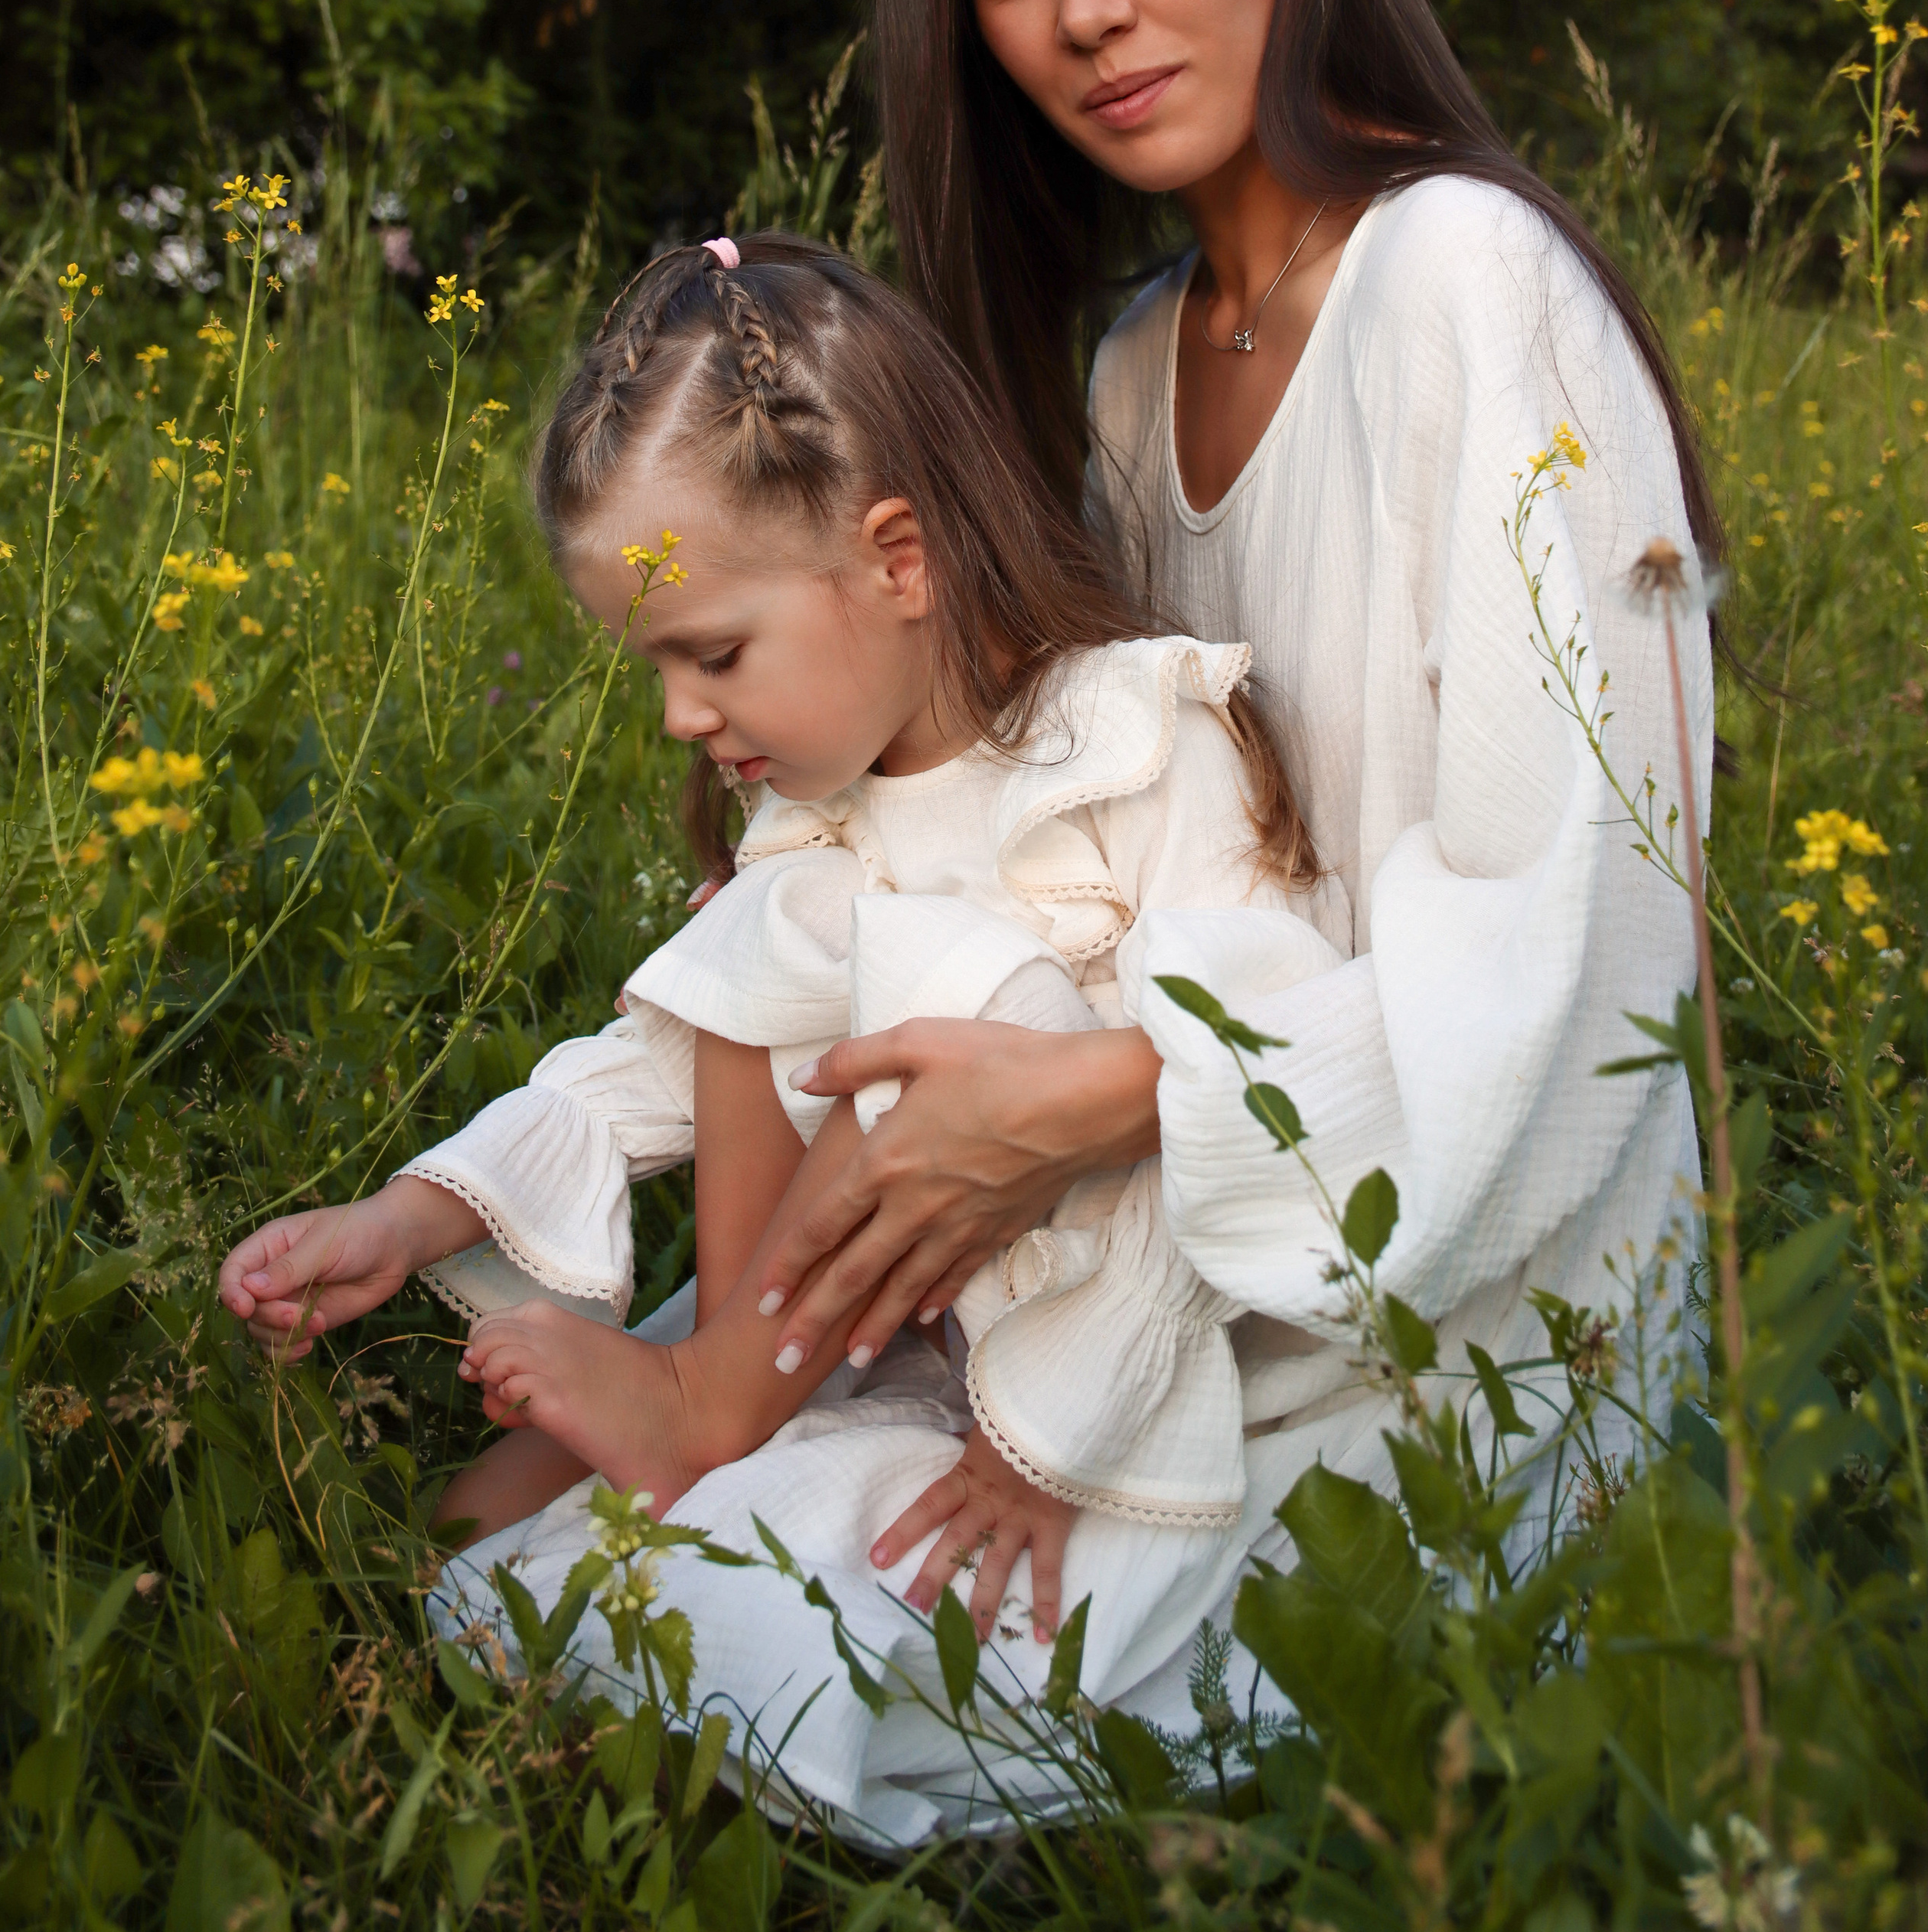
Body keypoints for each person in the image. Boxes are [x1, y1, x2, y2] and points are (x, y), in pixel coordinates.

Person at [729, 0, 1711, 1722]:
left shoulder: (1469, 279)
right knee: (638, 1496)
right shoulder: (1122, 376)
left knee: (776, 1629)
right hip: (1187, 1240)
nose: (1085, 11)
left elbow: (1581, 936)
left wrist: (1106, 1098)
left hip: (1483, 1301)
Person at [217, 231, 1350, 1802]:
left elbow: (1228, 1095)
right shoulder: (820, 809)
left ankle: (715, 1402)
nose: (682, 717)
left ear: (898, 561)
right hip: (853, 1308)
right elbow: (663, 1061)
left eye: (714, 655)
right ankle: (698, 1404)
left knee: (952, 981)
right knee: (463, 1544)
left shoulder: (1136, 750)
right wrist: (412, 1217)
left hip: (1078, 1351)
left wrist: (1048, 1452)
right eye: (658, 669)